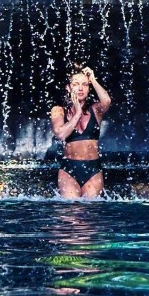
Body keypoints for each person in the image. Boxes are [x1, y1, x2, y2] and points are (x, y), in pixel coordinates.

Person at [50, 65, 111, 199]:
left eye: (85, 84)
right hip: (69, 169)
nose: (81, 88)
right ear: (68, 88)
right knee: (71, 213)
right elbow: (60, 134)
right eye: (76, 84)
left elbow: (106, 101)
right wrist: (77, 113)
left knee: (91, 213)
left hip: (93, 169)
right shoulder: (58, 110)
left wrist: (93, 80)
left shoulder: (95, 109)